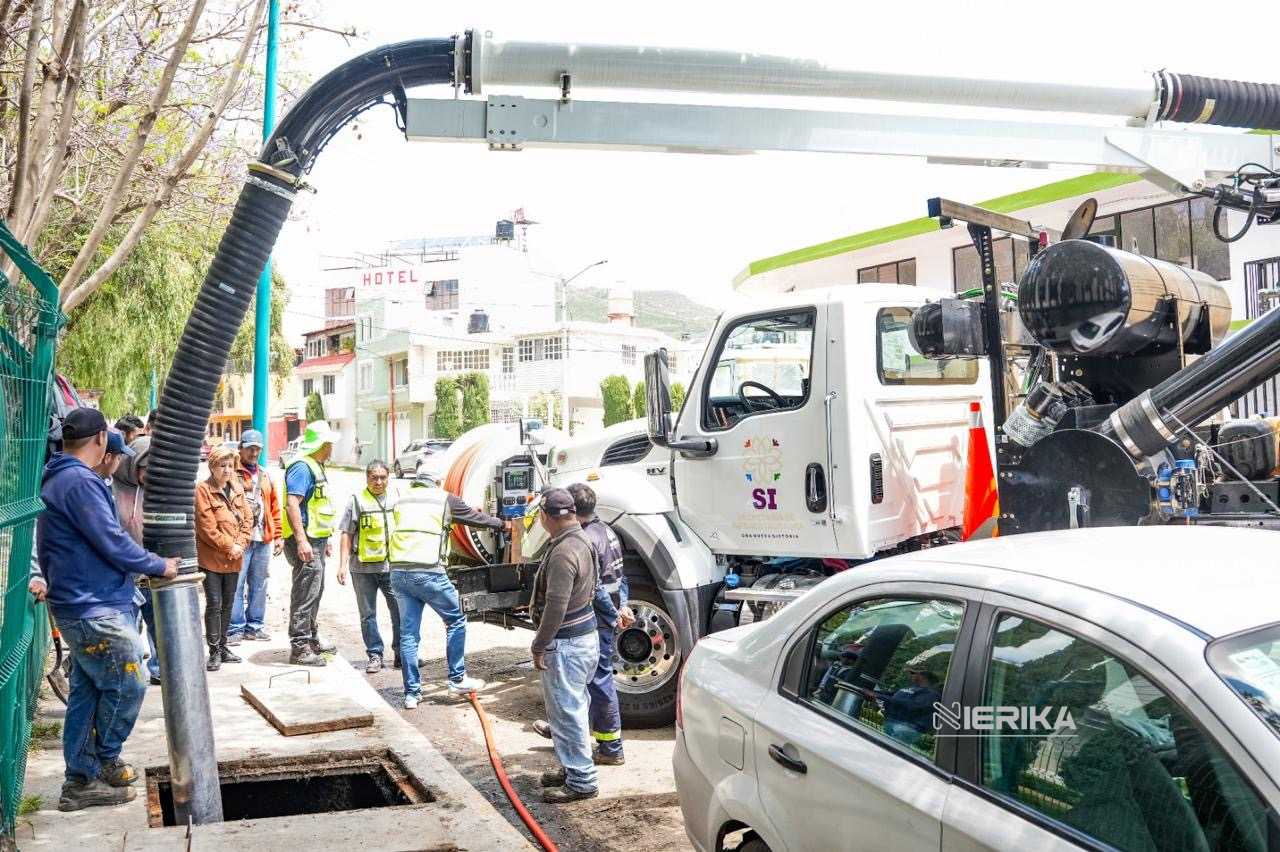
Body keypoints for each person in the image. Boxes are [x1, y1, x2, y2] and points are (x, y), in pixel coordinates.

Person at [35, 407, 179, 811]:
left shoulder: (61, 476)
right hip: (92, 606)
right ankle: (102, 761)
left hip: (84, 602)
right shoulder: (80, 482)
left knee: (88, 690)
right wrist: (158, 565)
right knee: (130, 679)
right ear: (101, 440)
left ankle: (80, 779)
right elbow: (112, 539)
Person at [533, 483, 635, 765]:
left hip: (596, 621)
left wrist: (614, 613)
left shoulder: (583, 541)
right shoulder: (608, 531)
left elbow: (596, 588)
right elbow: (620, 576)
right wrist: (622, 606)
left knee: (596, 683)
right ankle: (566, 734)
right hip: (606, 617)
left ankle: (609, 749)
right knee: (583, 686)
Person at [389, 470, 506, 708]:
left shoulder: (402, 498)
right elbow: (474, 518)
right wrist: (500, 523)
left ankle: (412, 694)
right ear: (437, 482)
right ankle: (457, 678)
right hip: (428, 572)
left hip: (398, 572)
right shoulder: (444, 498)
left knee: (408, 634)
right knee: (456, 619)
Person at [530, 487, 600, 804]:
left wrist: (539, 645)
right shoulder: (583, 540)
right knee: (574, 707)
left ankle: (582, 782)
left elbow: (556, 606)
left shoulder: (562, 552)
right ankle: (572, 769)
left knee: (567, 712)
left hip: (568, 644)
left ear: (546, 516)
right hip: (585, 639)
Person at [337, 460, 404, 673]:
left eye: (383, 477)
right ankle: (375, 655)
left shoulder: (397, 498)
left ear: (388, 478)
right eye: (374, 477)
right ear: (367, 478)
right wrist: (341, 565)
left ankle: (402, 653)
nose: (378, 482)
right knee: (368, 615)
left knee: (400, 612)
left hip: (390, 567)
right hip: (362, 569)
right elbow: (346, 533)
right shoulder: (357, 500)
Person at [282, 420, 340, 666]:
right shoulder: (302, 468)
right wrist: (302, 540)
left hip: (316, 539)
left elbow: (318, 506)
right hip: (305, 542)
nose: (332, 448)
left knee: (314, 591)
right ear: (322, 444)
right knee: (306, 593)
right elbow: (292, 504)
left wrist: (325, 539)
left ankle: (310, 639)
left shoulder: (315, 466)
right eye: (329, 444)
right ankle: (300, 648)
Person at [112, 436, 162, 685]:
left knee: (159, 628)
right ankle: (129, 676)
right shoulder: (112, 489)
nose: (149, 475)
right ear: (133, 465)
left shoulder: (158, 492)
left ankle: (158, 670)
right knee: (128, 632)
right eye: (145, 469)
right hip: (124, 575)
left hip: (152, 572)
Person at [195, 446, 251, 671]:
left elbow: (248, 518)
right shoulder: (203, 490)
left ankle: (224, 645)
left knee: (229, 604)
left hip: (234, 558)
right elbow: (207, 528)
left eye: (230, 465)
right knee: (214, 604)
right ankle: (214, 650)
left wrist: (241, 544)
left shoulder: (236, 487)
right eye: (223, 466)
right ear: (212, 467)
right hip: (213, 559)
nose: (227, 470)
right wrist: (231, 546)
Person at [227, 430, 282, 645]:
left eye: (257, 448)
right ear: (240, 448)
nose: (253, 452)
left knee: (260, 584)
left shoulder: (266, 475)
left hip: (262, 539)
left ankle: (255, 626)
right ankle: (235, 628)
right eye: (250, 448)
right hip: (239, 540)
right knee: (236, 584)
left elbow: (275, 507)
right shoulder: (230, 473)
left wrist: (278, 536)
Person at [876, 667, 943, 747]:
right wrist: (874, 693)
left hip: (906, 728)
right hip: (892, 722)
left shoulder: (931, 694)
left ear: (922, 676)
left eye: (912, 673)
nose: (910, 675)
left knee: (890, 752)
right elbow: (891, 694)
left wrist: (881, 698)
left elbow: (911, 705)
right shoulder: (911, 688)